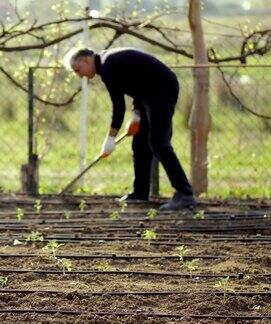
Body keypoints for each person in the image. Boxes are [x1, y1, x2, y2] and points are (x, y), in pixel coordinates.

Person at [63, 47, 196, 211]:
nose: (80, 75)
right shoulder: (108, 61)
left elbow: (118, 107)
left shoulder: (108, 66)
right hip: (150, 93)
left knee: (158, 143)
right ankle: (140, 192)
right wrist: (137, 115)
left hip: (162, 90)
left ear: (86, 60)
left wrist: (110, 138)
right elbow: (138, 82)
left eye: (78, 70)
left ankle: (185, 194)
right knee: (140, 142)